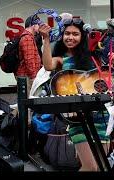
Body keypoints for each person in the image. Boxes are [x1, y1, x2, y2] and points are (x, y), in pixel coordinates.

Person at [39, 18, 110, 171]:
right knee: (90, 168)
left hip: (101, 117)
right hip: (77, 120)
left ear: (82, 37)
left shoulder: (95, 58)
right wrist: (45, 39)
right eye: (67, 34)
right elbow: (47, 64)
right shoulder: (61, 59)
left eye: (75, 34)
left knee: (102, 167)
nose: (70, 37)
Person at [16, 15, 42, 94]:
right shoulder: (27, 38)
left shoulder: (29, 37)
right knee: (29, 100)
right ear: (33, 25)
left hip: (27, 76)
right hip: (27, 77)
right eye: (38, 24)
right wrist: (33, 78)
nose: (39, 27)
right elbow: (29, 60)